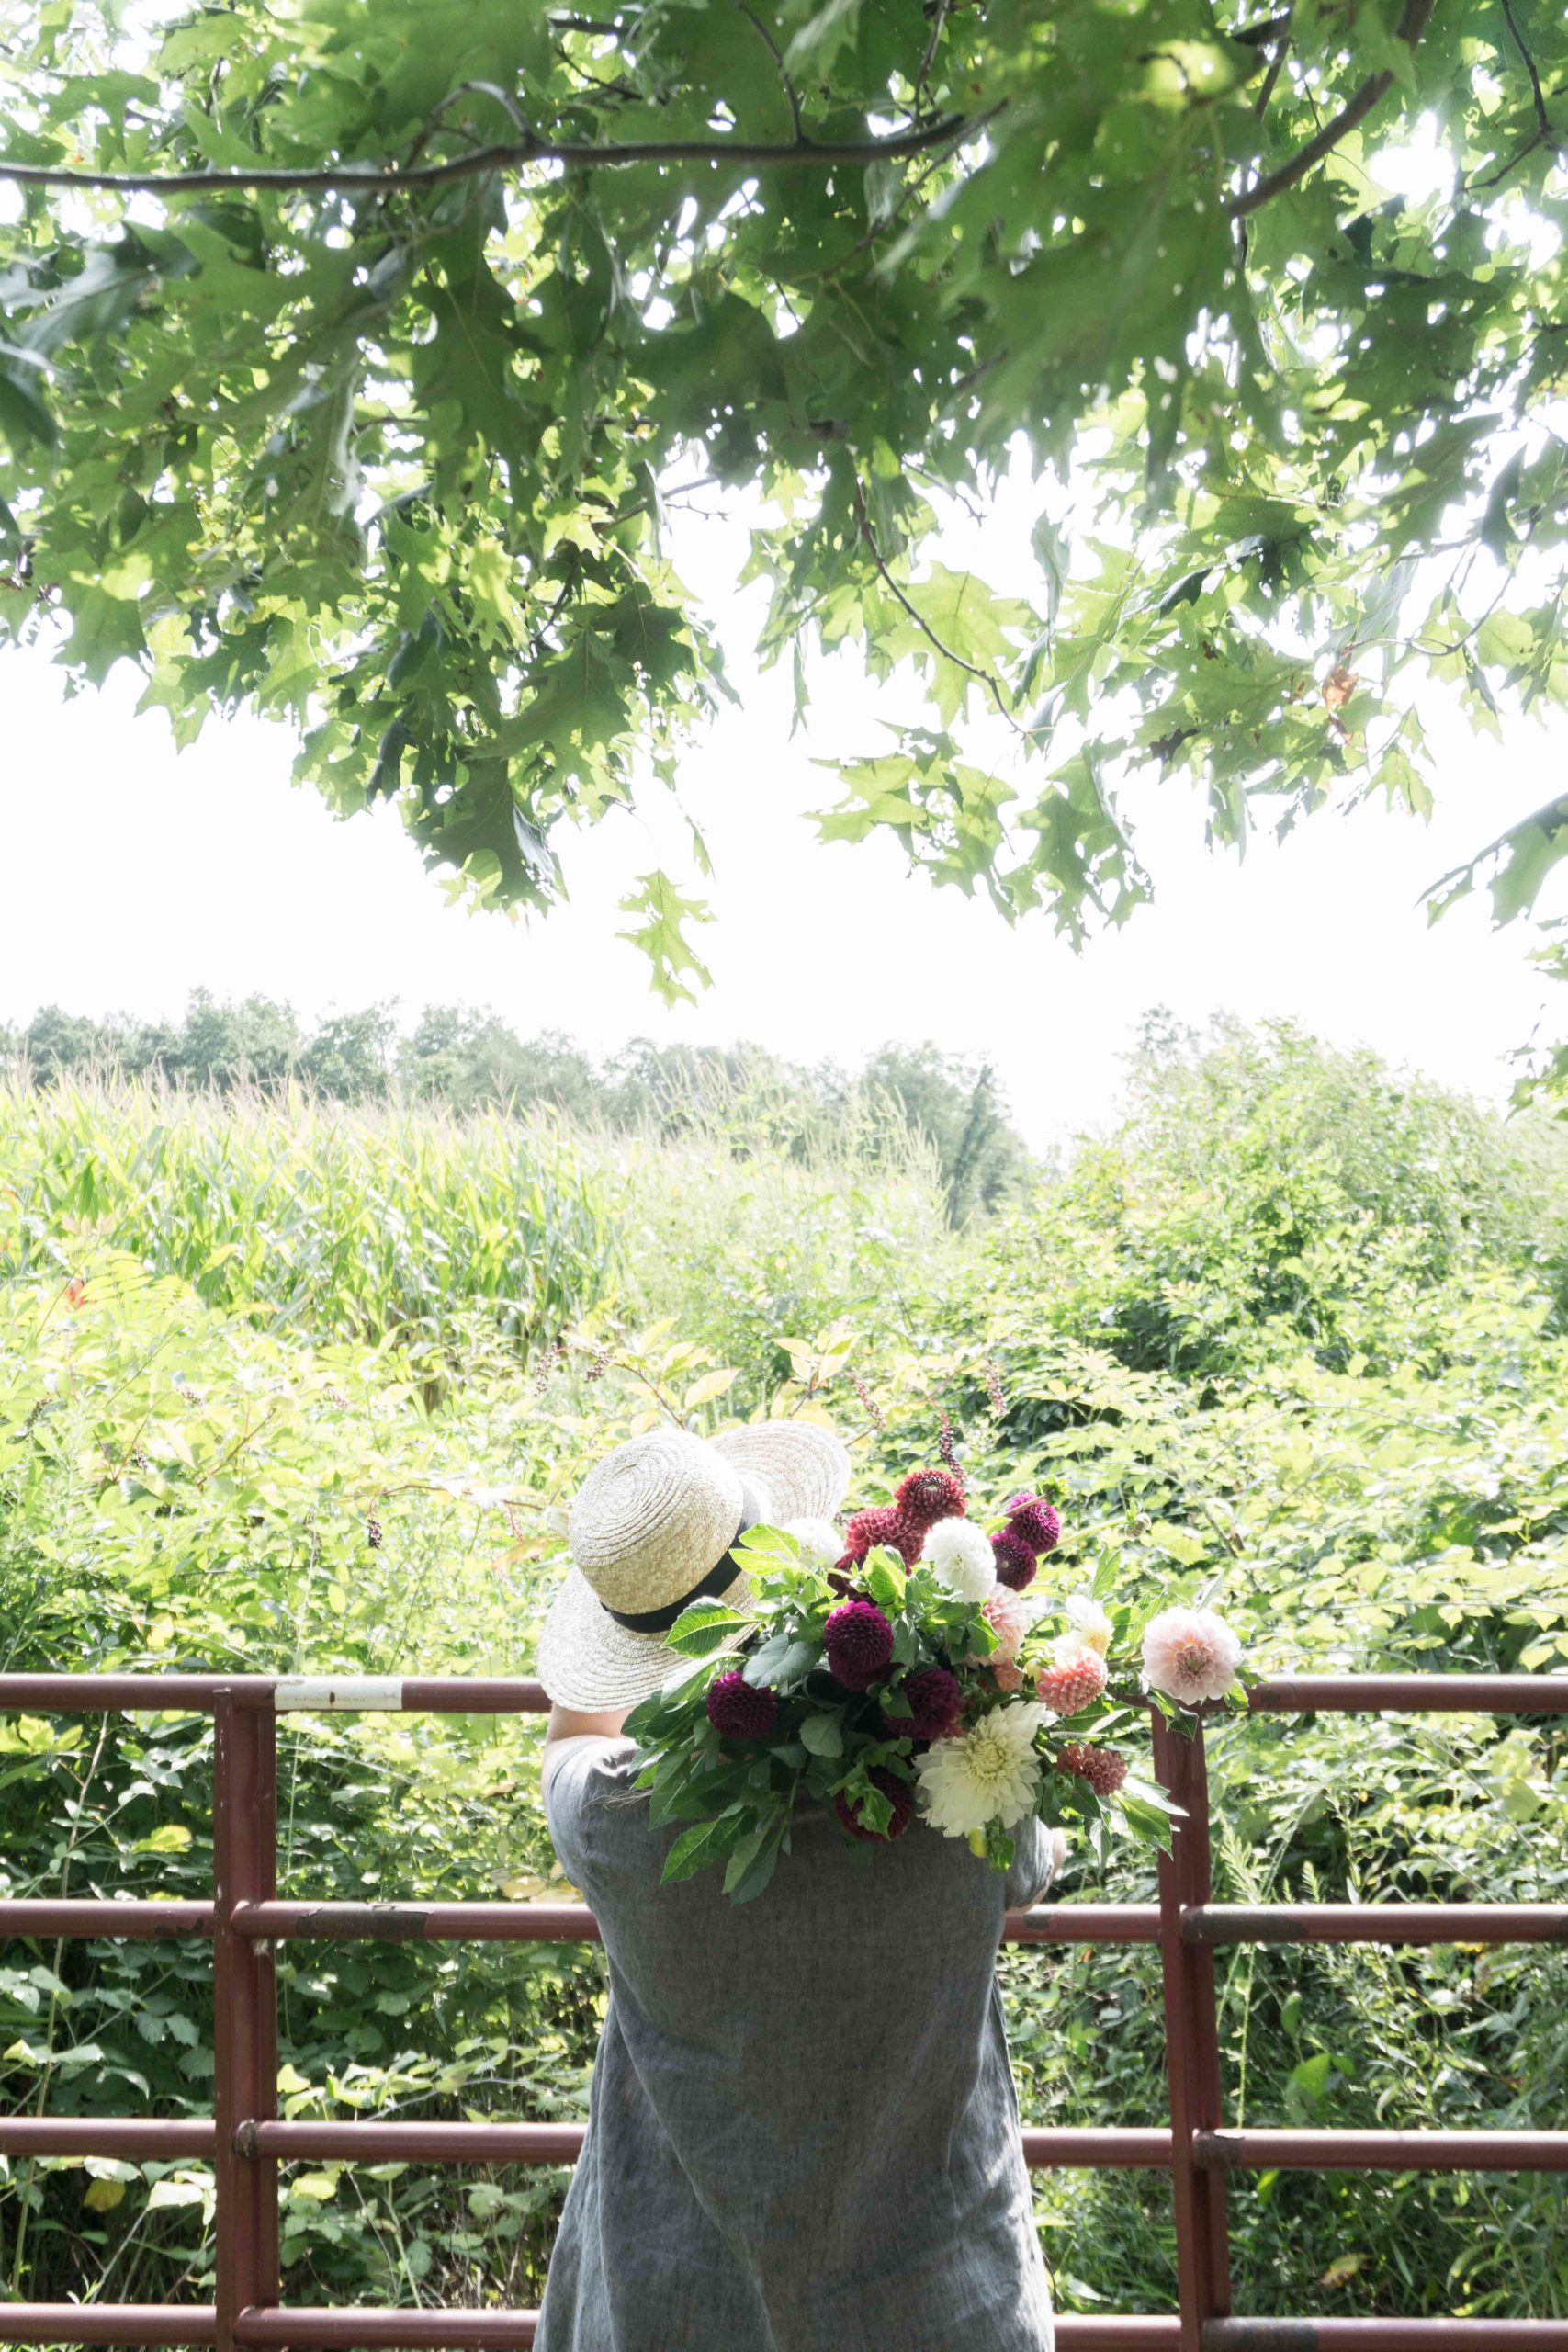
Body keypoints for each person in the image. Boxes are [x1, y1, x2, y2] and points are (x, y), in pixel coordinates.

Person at [532, 1423, 1064, 2352]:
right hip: (939, 2301)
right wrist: (967, 1679)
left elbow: (575, 1740)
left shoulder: (616, 1817)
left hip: (676, 2303)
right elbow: (1030, 1869)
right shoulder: (953, 1784)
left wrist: (617, 1653)